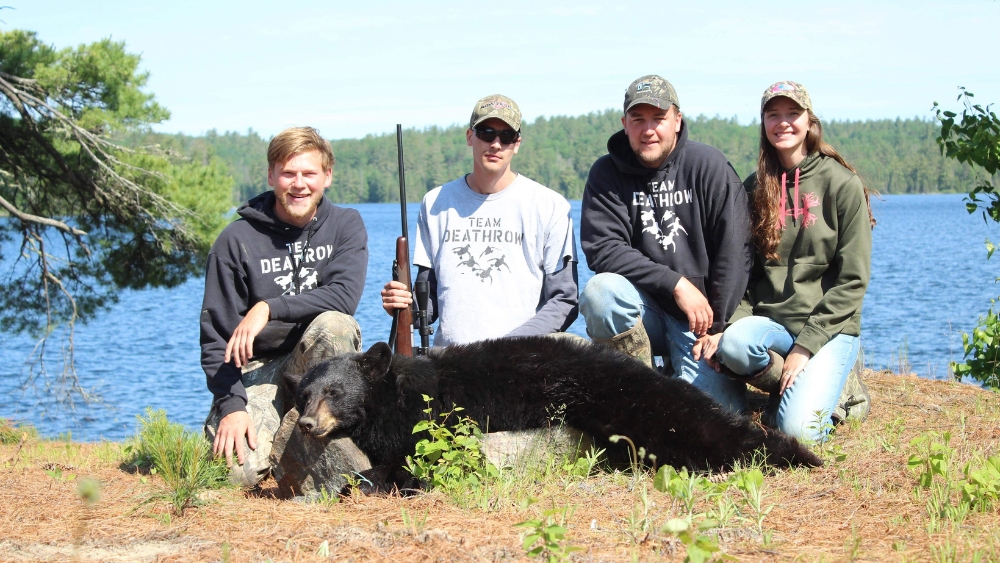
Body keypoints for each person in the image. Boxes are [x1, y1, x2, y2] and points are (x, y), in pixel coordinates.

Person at [701, 81, 875, 442]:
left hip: (828, 329)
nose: (783, 122)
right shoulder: (754, 187)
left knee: (801, 434)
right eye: (773, 114)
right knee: (735, 345)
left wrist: (805, 346)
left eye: (793, 113)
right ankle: (788, 388)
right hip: (773, 325)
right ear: (763, 123)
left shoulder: (842, 184)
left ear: (809, 121)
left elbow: (853, 280)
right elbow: (742, 272)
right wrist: (730, 326)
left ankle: (840, 391)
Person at [201, 126, 369, 487]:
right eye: (288, 173)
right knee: (235, 475)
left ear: (327, 176)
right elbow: (216, 339)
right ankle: (278, 434)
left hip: (317, 367)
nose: (299, 184)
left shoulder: (345, 225)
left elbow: (343, 296)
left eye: (309, 173)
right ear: (271, 175)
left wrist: (268, 307)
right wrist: (231, 407)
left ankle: (328, 454)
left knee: (335, 325)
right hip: (257, 369)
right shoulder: (236, 239)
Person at [579, 75, 753, 413]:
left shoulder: (709, 165)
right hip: (645, 311)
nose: (648, 130)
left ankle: (676, 372)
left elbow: (735, 252)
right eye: (638, 119)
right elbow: (603, 248)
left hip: (701, 321)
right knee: (601, 292)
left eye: (658, 118)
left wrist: (718, 328)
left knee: (713, 414)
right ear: (624, 124)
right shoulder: (606, 173)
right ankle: (634, 392)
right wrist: (675, 284)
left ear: (677, 120)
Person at [381, 94, 579, 346]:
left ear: (517, 143)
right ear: (469, 137)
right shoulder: (434, 203)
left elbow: (564, 301)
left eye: (506, 136)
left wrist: (504, 348)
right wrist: (401, 307)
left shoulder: (550, 206)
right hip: (450, 360)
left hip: (519, 358)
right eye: (486, 133)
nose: (495, 144)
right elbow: (427, 302)